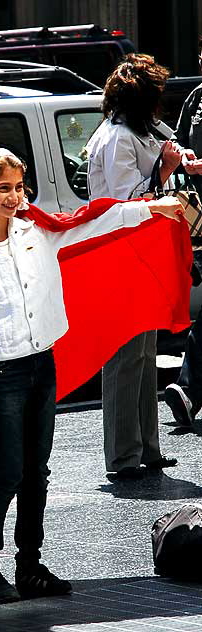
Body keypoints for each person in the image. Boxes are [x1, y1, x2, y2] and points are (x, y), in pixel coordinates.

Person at [0, 146, 183, 605]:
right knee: (7, 472)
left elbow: (94, 221)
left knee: (37, 472)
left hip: (41, 364)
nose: (14, 197)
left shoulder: (40, 232)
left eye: (18, 187)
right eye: (2, 189)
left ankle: (29, 567)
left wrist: (150, 207)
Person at [86, 53, 181, 479]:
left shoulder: (133, 132)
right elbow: (128, 201)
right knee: (126, 355)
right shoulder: (119, 137)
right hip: (120, 251)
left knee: (143, 352)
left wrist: (172, 163)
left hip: (139, 251)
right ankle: (124, 453)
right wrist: (164, 171)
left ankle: (145, 446)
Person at [164, 61, 202, 427]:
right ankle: (189, 390)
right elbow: (179, 141)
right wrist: (184, 157)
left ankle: (189, 389)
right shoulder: (197, 98)